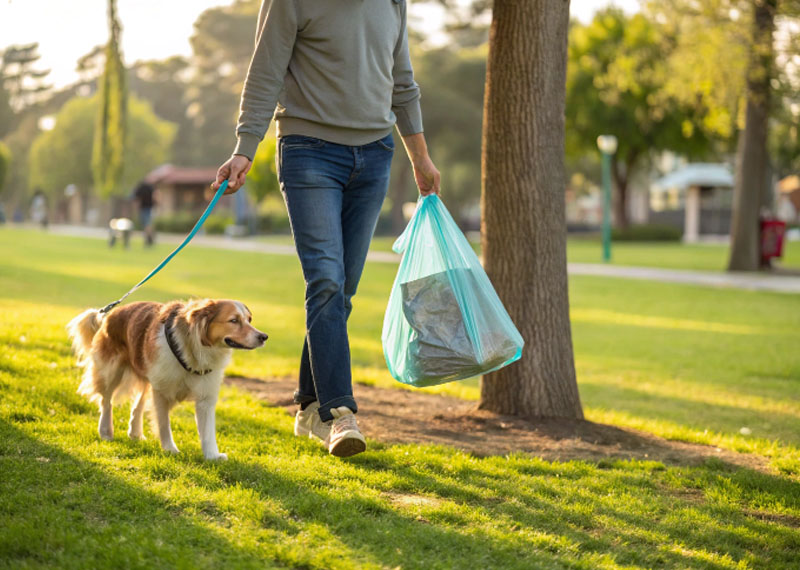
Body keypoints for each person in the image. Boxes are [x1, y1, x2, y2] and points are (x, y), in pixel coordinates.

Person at [212, 0, 440, 457]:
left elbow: (402, 83)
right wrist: (245, 147)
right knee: (327, 283)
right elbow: (265, 73)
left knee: (340, 290)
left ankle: (307, 405)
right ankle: (339, 415)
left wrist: (420, 158)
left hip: (375, 155)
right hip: (308, 150)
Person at [131, 178, 156, 246]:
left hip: (144, 208)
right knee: (148, 224)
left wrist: (136, 208)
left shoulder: (140, 188)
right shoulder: (150, 188)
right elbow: (155, 195)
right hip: (149, 208)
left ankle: (148, 239)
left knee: (146, 224)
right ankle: (150, 238)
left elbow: (136, 198)